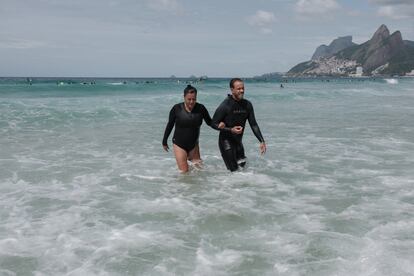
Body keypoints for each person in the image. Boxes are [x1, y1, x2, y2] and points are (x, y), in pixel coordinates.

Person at [162, 85, 223, 173]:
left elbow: (210, 122)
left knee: (199, 171)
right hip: (179, 144)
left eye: (194, 99)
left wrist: (220, 127)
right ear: (184, 97)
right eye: (189, 99)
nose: (191, 102)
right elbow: (170, 125)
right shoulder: (176, 109)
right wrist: (164, 141)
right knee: (184, 172)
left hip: (194, 145)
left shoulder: (201, 108)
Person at [212, 78, 266, 171]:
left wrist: (261, 141)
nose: (242, 91)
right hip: (226, 143)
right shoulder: (225, 105)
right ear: (232, 90)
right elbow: (213, 123)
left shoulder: (247, 105)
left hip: (238, 143)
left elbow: (253, 124)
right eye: (239, 89)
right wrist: (230, 130)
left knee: (243, 169)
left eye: (243, 88)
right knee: (234, 172)